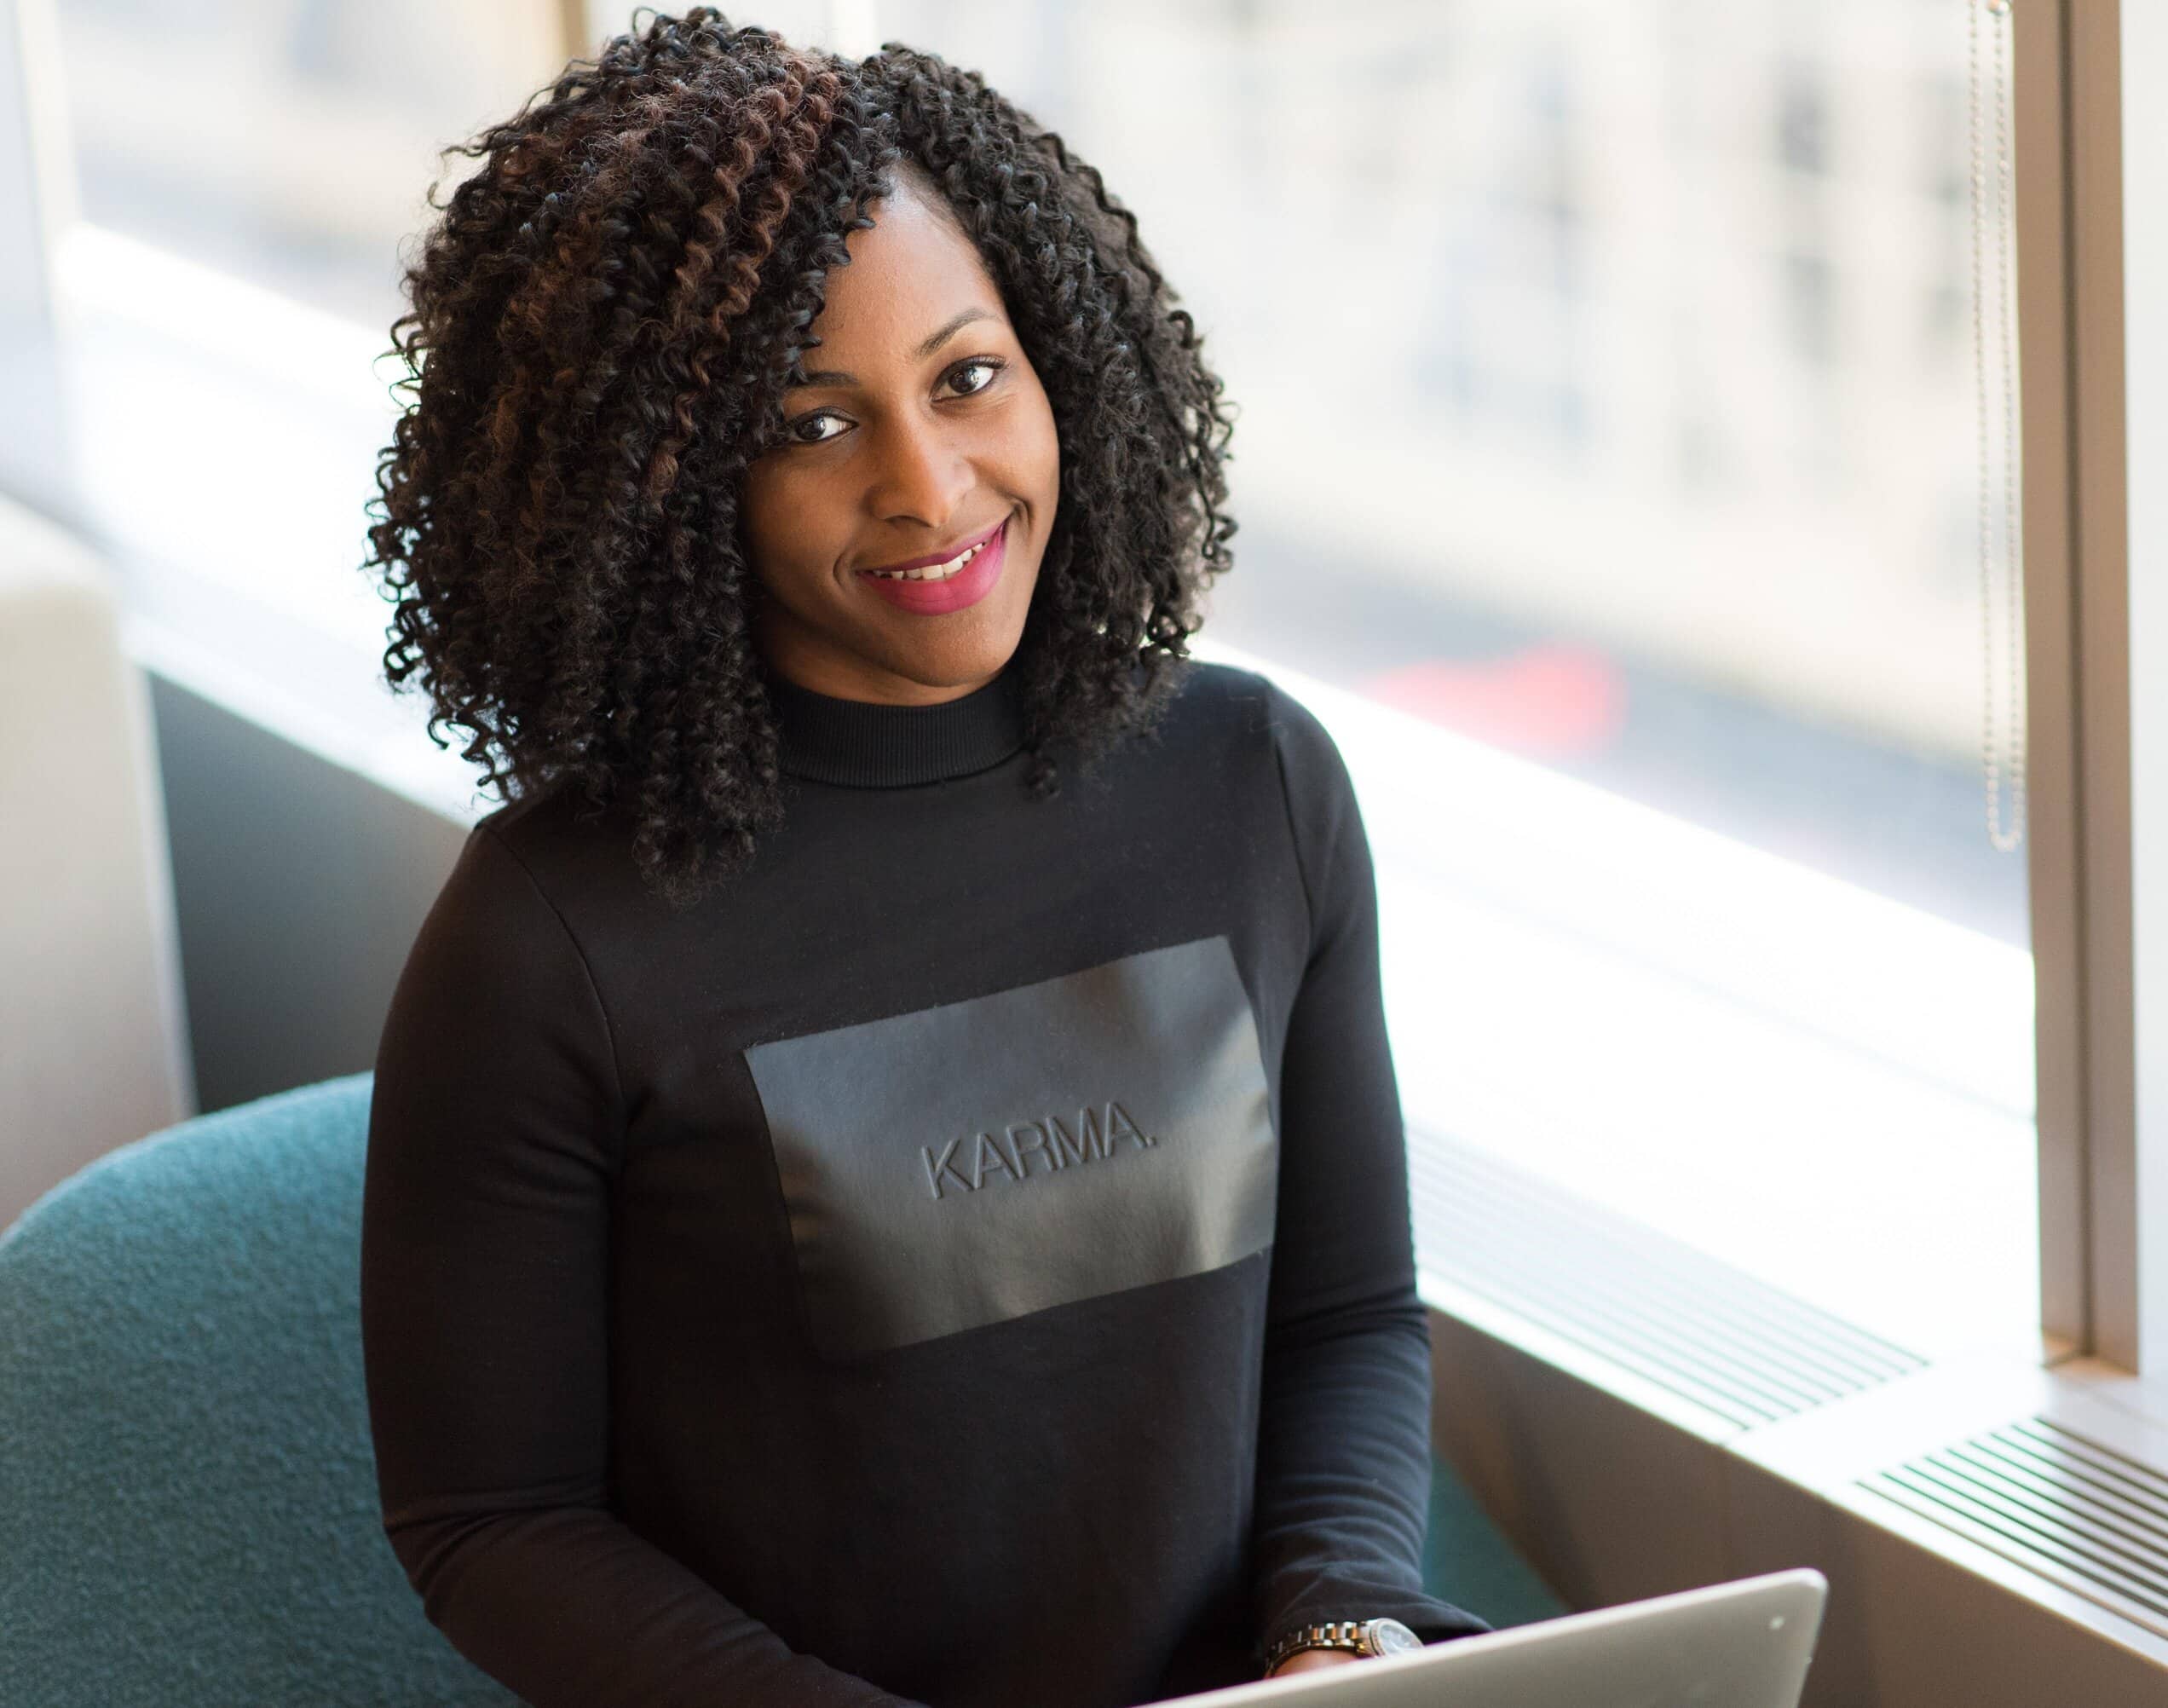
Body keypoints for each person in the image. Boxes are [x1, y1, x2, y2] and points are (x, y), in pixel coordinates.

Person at [356, 9, 1490, 1705]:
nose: (929, 485)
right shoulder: (547, 939)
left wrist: (1344, 1640)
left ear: (1060, 368)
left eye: (968, 378)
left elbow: (1346, 1314)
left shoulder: (1251, 786)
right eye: (811, 424)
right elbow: (493, 1521)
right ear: (669, 486)